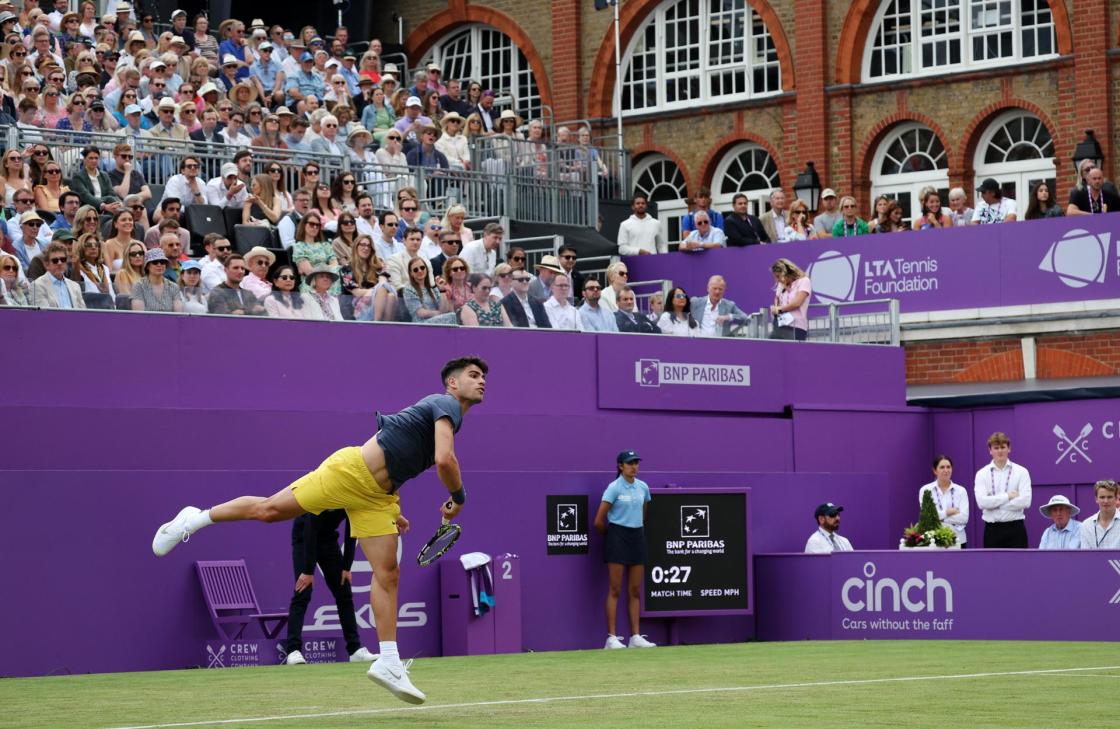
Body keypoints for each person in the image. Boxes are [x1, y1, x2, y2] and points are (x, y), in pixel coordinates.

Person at [152, 356, 488, 705]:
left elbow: (400, 457)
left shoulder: (449, 416)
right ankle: (194, 518)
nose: (481, 382)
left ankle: (389, 662)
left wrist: (395, 505)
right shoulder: (445, 404)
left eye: (483, 377)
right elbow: (445, 460)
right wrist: (458, 496)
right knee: (269, 510)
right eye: (473, 375)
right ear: (452, 383)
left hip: (378, 498)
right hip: (349, 473)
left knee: (387, 574)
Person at [283, 509, 377, 666]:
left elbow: (352, 530)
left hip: (328, 539)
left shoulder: (350, 494)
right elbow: (310, 530)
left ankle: (354, 650)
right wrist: (307, 571)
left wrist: (347, 566)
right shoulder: (324, 492)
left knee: (344, 592)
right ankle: (293, 651)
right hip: (304, 536)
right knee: (303, 591)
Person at [594, 450, 655, 650]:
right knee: (615, 589)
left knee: (635, 590)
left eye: (636, 463)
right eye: (630, 463)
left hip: (637, 536)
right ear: (621, 466)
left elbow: (644, 514)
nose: (634, 466)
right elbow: (599, 521)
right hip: (617, 537)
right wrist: (612, 535)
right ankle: (611, 638)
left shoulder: (643, 487)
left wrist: (633, 529)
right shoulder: (613, 488)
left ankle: (635, 637)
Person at [973, 431, 1031, 548]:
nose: (1000, 451)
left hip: (1016, 529)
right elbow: (981, 503)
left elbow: (1026, 501)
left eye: (1003, 447)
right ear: (990, 450)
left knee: (1019, 566)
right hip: (992, 530)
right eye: (996, 448)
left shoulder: (1022, 472)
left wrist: (994, 504)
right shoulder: (982, 474)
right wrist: (1008, 496)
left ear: (1009, 449)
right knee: (993, 566)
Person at [919, 455, 969, 548]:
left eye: (948, 467)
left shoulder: (961, 491)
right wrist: (948, 512)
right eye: (942, 467)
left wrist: (939, 517)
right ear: (935, 471)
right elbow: (927, 518)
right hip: (933, 541)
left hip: (958, 540)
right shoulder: (926, 490)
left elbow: (964, 518)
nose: (946, 470)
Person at [31, 241, 85, 309]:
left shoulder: (75, 286)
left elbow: (83, 313)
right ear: (46, 264)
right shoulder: (37, 285)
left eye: (63, 259)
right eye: (55, 260)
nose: (59, 263)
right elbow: (42, 315)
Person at [130, 248, 183, 313]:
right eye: (155, 262)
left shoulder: (174, 287)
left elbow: (178, 315)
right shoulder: (138, 286)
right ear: (147, 266)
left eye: (162, 262)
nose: (159, 265)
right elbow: (139, 316)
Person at [1079, 480, 1119, 549]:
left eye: (1109, 497)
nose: (1106, 501)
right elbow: (1085, 556)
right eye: (1102, 497)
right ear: (1096, 499)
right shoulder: (1086, 525)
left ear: (1116, 499)